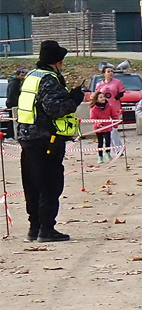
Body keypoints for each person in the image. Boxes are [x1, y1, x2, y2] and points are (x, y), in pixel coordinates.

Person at [13, 40, 84, 241]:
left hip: (27, 137)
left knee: (32, 185)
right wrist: (74, 99)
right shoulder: (49, 79)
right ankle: (46, 229)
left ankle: (34, 228)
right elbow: (55, 109)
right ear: (57, 61)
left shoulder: (31, 76)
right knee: (50, 185)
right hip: (46, 138)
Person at [88, 90, 120, 163]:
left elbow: (114, 115)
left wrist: (115, 124)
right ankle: (100, 156)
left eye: (103, 97)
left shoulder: (109, 106)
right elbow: (93, 119)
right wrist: (99, 124)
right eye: (100, 97)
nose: (103, 98)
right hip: (98, 128)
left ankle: (108, 153)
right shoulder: (94, 109)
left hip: (107, 127)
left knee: (108, 141)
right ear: (96, 99)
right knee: (100, 142)